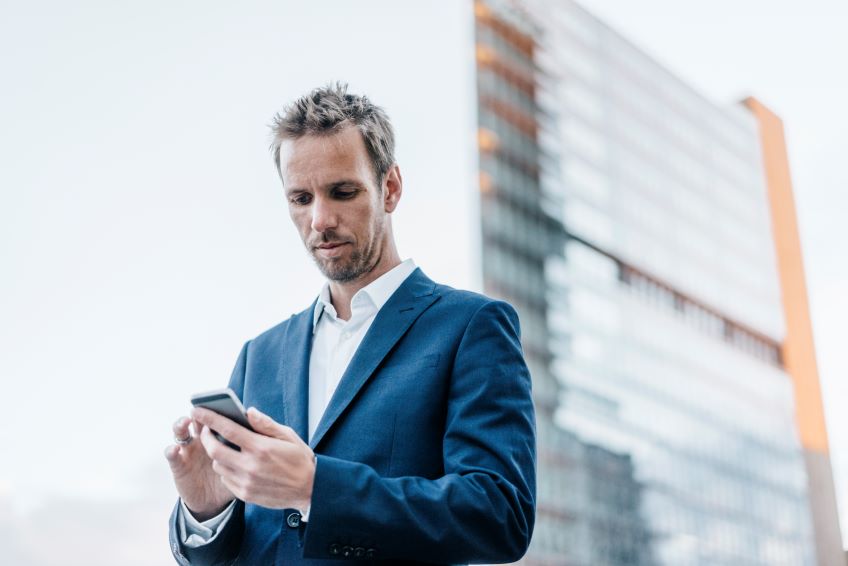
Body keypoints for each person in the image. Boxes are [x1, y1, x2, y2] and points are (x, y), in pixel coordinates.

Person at [164, 83, 536, 565]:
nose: (320, 219)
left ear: (390, 188)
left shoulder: (471, 327)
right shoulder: (260, 354)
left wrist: (314, 487)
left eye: (342, 192)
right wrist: (206, 509)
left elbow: (499, 515)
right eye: (300, 198)